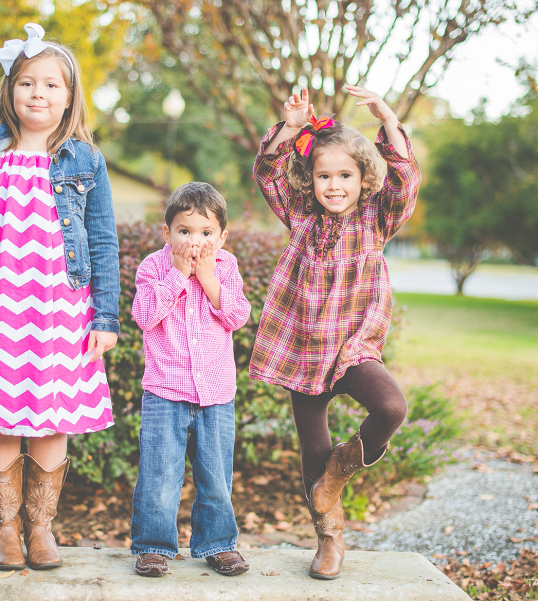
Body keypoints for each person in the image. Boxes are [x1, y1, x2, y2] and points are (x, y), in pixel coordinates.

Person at [0, 23, 120, 571]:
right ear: (9, 91)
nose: (37, 93)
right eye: (26, 83)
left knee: (52, 421)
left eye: (50, 85)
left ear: (70, 99)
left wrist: (106, 316)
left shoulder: (85, 161)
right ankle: (4, 533)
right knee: (0, 420)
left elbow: (104, 240)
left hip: (64, 312)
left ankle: (40, 529)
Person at [251, 86, 421, 579]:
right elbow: (266, 172)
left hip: (354, 346)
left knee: (391, 407)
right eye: (324, 176)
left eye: (344, 175)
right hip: (304, 350)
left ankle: (340, 472)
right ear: (311, 179)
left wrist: (388, 119)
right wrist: (290, 125)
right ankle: (329, 541)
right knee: (313, 451)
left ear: (363, 177)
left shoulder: (377, 219)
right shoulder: (300, 217)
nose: (334, 185)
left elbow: (405, 181)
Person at [129, 182, 252, 578]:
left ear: (221, 236)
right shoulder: (154, 267)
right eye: (184, 231)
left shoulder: (227, 266)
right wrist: (180, 275)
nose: (194, 241)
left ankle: (218, 544)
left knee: (215, 475)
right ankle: (153, 547)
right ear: (167, 233)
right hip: (165, 390)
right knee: (160, 475)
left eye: (205, 233)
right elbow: (145, 316)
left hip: (215, 392)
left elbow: (237, 316)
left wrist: (208, 277)